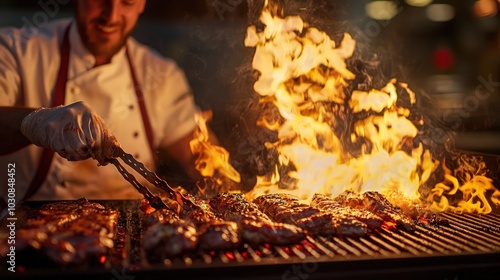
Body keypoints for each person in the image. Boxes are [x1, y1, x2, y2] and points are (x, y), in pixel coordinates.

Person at [0, 0, 215, 214]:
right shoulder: (17, 50)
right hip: (30, 232)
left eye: (127, 2)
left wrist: (224, 188)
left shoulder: (161, 74)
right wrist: (34, 123)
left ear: (142, 4)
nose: (111, 17)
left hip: (137, 230)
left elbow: (199, 155)